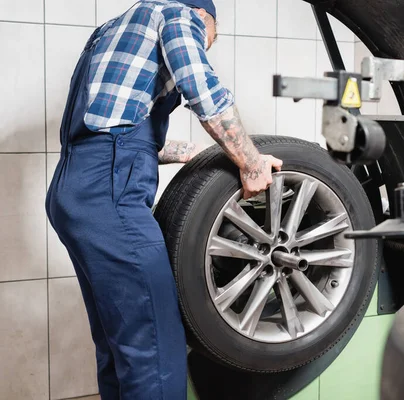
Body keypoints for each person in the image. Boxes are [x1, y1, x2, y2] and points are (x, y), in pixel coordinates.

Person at [45, 1, 283, 398]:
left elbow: (111, 126)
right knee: (154, 349)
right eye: (209, 40)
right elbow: (201, 86)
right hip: (109, 196)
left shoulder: (110, 30)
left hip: (75, 190)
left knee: (119, 345)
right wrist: (251, 161)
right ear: (205, 19)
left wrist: (188, 151)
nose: (204, 45)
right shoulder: (178, 14)